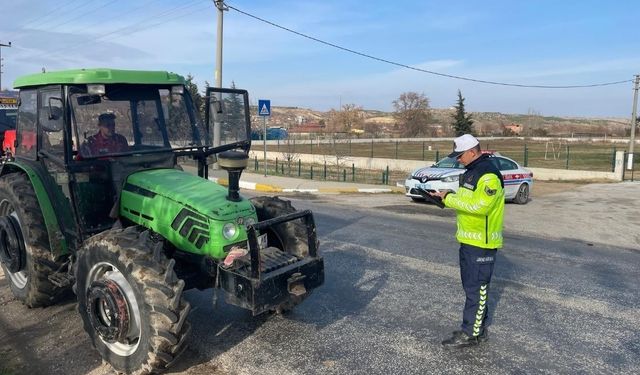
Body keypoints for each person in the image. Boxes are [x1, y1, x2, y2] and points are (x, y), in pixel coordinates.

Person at [430, 134, 505, 348]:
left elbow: (481, 207)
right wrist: (447, 195)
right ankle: (477, 329)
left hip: (482, 242)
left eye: (460, 156)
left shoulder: (488, 175)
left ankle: (470, 333)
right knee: (472, 286)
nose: (457, 160)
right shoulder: (471, 171)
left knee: (477, 288)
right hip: (469, 239)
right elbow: (467, 200)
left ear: (473, 152)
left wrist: (450, 200)